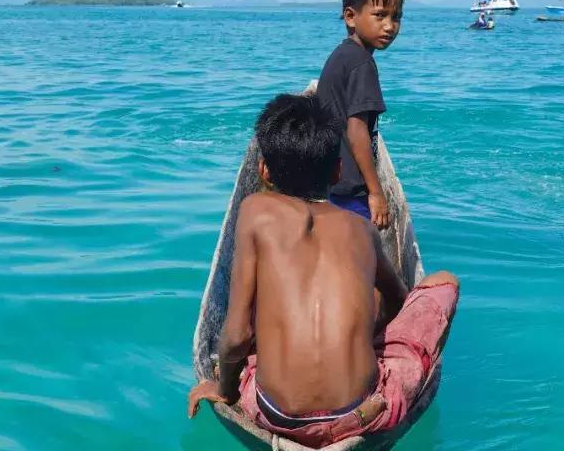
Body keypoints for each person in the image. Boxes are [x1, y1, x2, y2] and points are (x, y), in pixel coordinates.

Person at [186, 94, 460, 448]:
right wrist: (364, 327)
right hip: (361, 412)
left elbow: (237, 335)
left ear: (263, 171)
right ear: (337, 171)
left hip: (274, 414)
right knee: (444, 282)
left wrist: (224, 390)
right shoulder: (361, 229)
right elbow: (399, 301)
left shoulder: (255, 210)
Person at [316, 0, 405, 229]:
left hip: (331, 179)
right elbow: (356, 130)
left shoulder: (343, 54)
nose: (389, 26)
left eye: (396, 17)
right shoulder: (361, 63)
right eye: (380, 16)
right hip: (349, 188)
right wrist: (376, 193)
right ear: (350, 17)